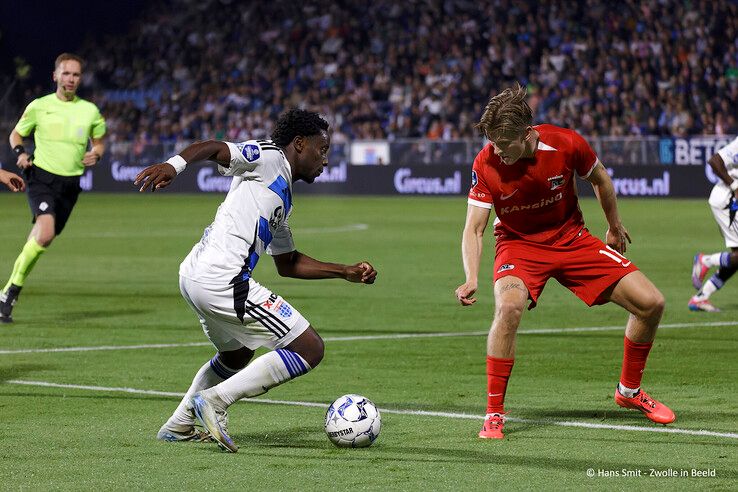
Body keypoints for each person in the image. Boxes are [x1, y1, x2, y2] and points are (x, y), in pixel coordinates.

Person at [134, 109, 377, 452]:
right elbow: (213, 147)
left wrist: (344, 271)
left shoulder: (282, 197)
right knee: (309, 348)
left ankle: (180, 424)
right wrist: (173, 166)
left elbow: (288, 263)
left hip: (195, 276)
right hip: (223, 279)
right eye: (322, 150)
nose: (325, 160)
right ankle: (215, 401)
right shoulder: (268, 157)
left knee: (236, 355)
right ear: (299, 144)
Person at [454, 85, 674, 440]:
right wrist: (470, 277)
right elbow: (474, 228)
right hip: (519, 245)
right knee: (508, 308)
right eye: (492, 142)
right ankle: (494, 413)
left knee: (652, 304)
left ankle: (629, 392)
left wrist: (614, 227)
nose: (495, 150)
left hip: (571, 239)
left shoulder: (567, 143)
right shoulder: (485, 162)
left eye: (503, 143)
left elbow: (601, 180)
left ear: (527, 134)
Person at [0, 53, 106, 323]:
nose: (70, 79)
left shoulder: (90, 111)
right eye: (66, 73)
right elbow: (16, 134)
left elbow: (100, 141)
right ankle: (10, 292)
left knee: (39, 239)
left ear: (80, 79)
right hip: (41, 178)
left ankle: (7, 294)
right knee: (45, 234)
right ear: (55, 76)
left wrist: (97, 153)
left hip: (70, 186)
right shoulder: (39, 106)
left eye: (76, 75)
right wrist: (21, 154)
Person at [689, 136, 738, 312]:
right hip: (729, 201)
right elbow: (714, 161)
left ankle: (700, 298)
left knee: (736, 259)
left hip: (730, 203)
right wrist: (734, 186)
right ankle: (705, 260)